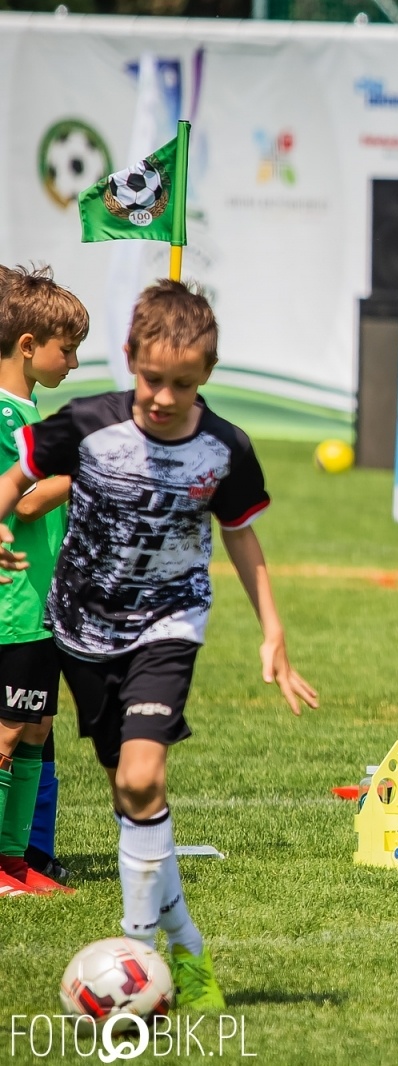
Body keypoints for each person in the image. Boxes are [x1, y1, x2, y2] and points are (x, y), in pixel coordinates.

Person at [0, 279, 317, 1004]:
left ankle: (137, 957)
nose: (163, 397)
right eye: (150, 380)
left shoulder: (225, 449)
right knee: (130, 796)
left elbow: (241, 536)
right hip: (82, 629)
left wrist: (274, 633)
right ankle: (188, 947)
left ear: (206, 375)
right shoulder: (86, 423)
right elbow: (19, 475)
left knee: (144, 780)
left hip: (167, 625)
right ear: (129, 360)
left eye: (181, 384)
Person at [0, 266, 84, 895]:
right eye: (67, 348)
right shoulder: (7, 416)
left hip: (41, 604)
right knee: (5, 733)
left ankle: (14, 859)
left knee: (34, 728)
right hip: (13, 603)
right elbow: (24, 502)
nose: (74, 362)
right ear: (28, 345)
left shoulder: (27, 410)